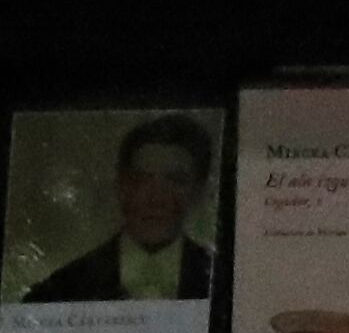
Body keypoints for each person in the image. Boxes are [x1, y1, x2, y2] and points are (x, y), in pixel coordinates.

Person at [18, 115, 214, 301]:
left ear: (198, 191)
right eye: (142, 180)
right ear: (121, 187)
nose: (156, 199)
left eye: (176, 180)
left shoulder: (227, 280)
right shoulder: (58, 291)